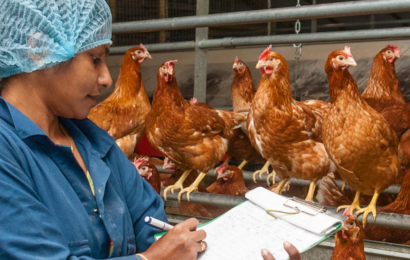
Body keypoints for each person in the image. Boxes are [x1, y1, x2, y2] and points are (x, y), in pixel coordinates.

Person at [0, 1, 300, 259]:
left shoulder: (92, 140)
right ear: (39, 50)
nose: (106, 78)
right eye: (95, 59)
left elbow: (153, 225)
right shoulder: (6, 152)